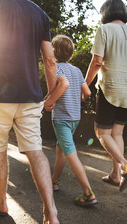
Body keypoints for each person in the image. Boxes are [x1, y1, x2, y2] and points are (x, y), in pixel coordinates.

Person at [0, 1, 63, 224]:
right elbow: (50, 59)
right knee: (35, 150)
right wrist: (51, 94)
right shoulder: (39, 14)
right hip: (31, 95)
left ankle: (2, 203)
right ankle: (51, 215)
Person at [85, 0, 127, 192]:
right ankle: (115, 176)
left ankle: (125, 165)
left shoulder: (104, 29)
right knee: (117, 133)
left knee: (102, 133)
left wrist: (85, 83)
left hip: (110, 88)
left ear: (105, 12)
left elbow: (97, 61)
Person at [44, 35, 96, 207]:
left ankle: (88, 193)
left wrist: (49, 102)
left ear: (54, 50)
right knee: (61, 150)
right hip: (75, 118)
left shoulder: (56, 68)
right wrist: (76, 99)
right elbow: (87, 93)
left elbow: (63, 85)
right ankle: (54, 181)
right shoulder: (77, 71)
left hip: (62, 119)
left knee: (70, 154)